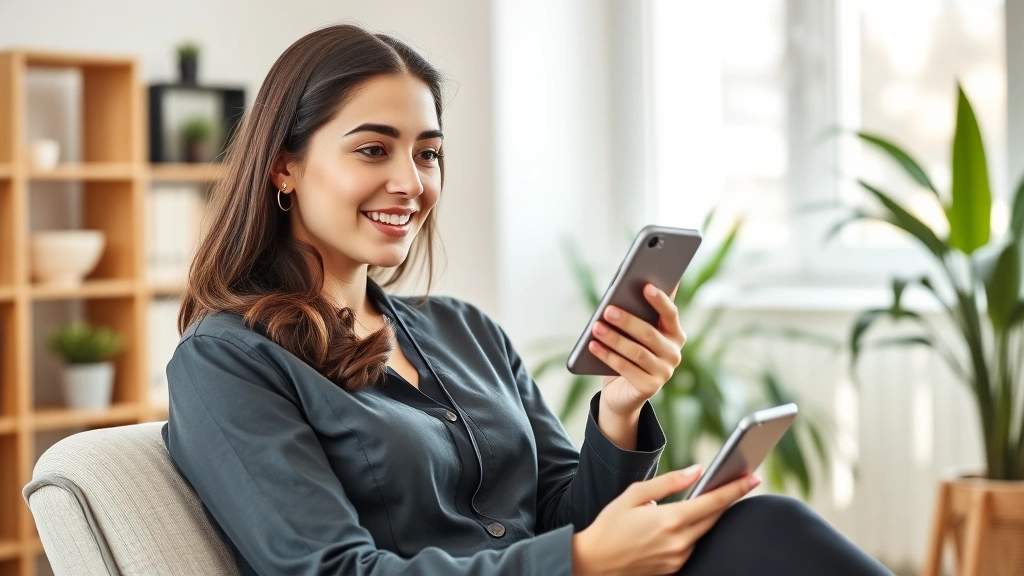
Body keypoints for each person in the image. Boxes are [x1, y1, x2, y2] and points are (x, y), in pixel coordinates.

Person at [162, 23, 895, 576]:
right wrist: (574, 562)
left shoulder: (465, 331)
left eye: (427, 152)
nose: (412, 182)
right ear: (285, 168)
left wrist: (619, 407)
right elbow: (332, 570)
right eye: (372, 149)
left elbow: (561, 517)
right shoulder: (225, 362)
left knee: (762, 524)